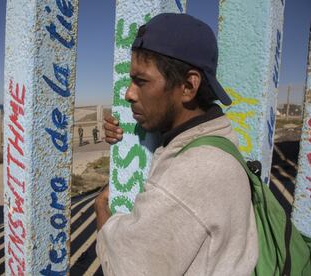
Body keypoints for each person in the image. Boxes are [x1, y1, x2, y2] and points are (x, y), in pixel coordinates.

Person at [95, 13, 258, 275]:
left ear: (188, 86)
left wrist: (102, 211)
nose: (128, 93)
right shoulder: (217, 137)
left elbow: (123, 269)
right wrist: (125, 135)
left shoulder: (191, 175)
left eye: (141, 81)